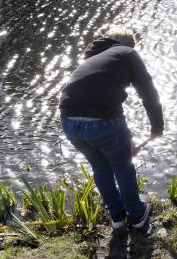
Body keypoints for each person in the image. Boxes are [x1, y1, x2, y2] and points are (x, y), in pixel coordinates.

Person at [59, 26, 163, 230]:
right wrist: (157, 128)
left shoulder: (90, 60)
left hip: (69, 121)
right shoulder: (127, 53)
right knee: (123, 166)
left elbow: (101, 98)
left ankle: (117, 217)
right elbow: (148, 93)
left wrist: (126, 139)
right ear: (128, 44)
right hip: (103, 120)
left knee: (100, 168)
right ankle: (136, 214)